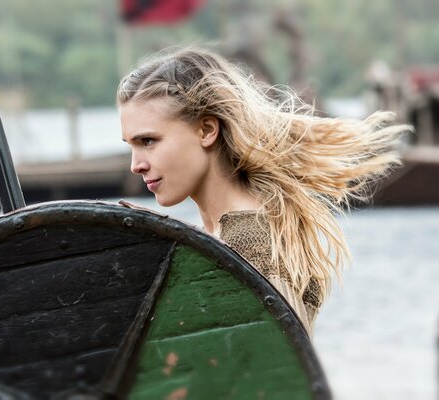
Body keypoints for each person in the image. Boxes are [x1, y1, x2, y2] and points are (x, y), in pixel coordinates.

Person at [117, 47, 409, 335]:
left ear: (206, 130)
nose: (135, 165)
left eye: (149, 141)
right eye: (131, 145)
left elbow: (272, 366)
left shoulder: (250, 244)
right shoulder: (230, 235)